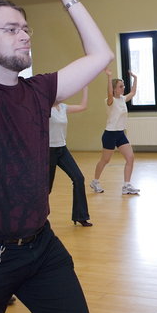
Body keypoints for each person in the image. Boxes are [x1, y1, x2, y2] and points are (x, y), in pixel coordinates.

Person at [0, 0, 113, 313]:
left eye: (25, 28)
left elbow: (101, 55)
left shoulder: (39, 90)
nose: (25, 35)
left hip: (41, 247)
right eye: (11, 29)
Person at [90, 69, 139, 195]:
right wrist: (109, 77)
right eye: (121, 86)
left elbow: (133, 92)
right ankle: (95, 181)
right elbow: (109, 93)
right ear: (114, 89)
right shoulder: (109, 100)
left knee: (130, 158)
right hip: (110, 134)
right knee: (105, 160)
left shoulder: (122, 99)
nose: (123, 88)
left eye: (123, 86)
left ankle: (126, 185)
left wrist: (135, 78)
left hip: (120, 134)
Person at [49, 86, 93, 227]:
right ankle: (37, 219)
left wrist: (85, 88)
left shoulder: (63, 107)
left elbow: (83, 106)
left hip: (62, 149)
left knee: (78, 178)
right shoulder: (44, 108)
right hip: (47, 151)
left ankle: (80, 216)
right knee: (46, 188)